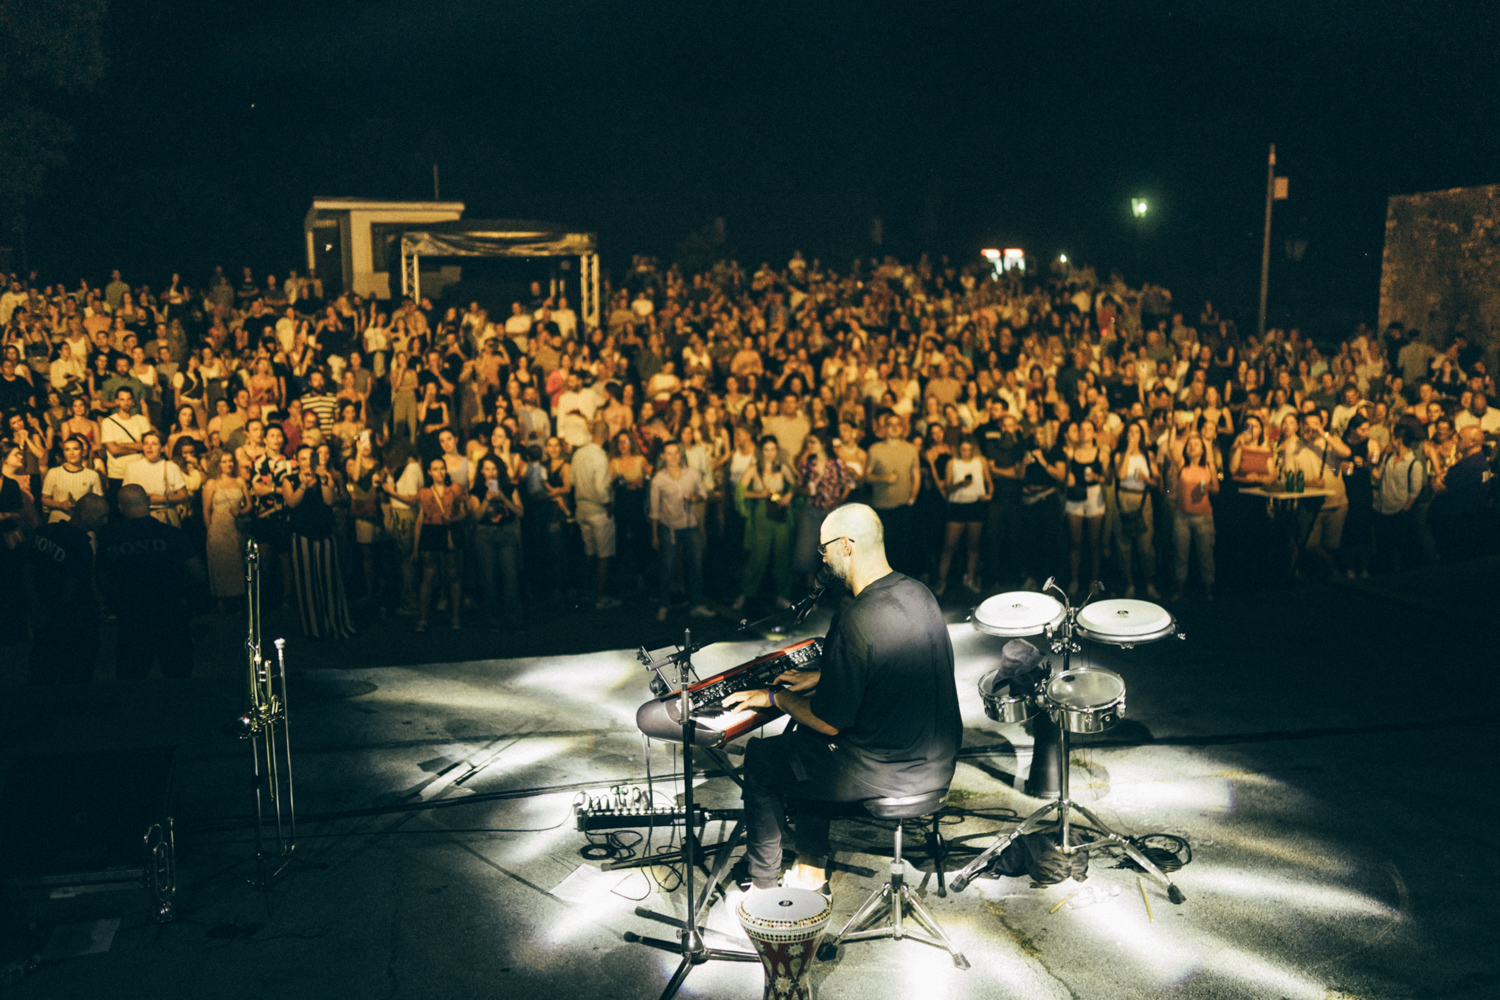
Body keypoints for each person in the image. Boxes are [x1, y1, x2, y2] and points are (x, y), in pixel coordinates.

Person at [724, 502, 961, 892]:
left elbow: (828, 719)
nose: (823, 558)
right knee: (806, 746)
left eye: (824, 548)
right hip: (937, 764)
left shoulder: (856, 617)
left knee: (768, 758)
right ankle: (810, 866)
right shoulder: (918, 592)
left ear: (846, 546)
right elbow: (894, 672)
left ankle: (763, 885)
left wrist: (773, 698)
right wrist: (824, 675)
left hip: (888, 772)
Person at [99, 485, 202, 680]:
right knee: (179, 679)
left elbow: (103, 581)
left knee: (131, 683)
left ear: (120, 507)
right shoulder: (172, 534)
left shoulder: (110, 541)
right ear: (148, 502)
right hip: (171, 616)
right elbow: (198, 572)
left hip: (132, 619)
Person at [26, 493, 108, 684]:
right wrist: (55, 614)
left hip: (44, 612)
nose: (105, 521)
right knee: (75, 676)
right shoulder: (81, 546)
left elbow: (28, 570)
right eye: (100, 516)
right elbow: (72, 587)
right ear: (84, 515)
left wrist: (35, 606)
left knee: (42, 673)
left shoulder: (46, 532)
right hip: (73, 622)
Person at [283, 443, 356, 639]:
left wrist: (323, 479)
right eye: (304, 458)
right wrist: (304, 485)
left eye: (311, 458)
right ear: (297, 461)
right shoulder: (288, 480)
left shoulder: (325, 478)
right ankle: (314, 628)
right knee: (307, 583)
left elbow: (329, 501)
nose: (308, 462)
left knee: (330, 581)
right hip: (302, 536)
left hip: (324, 533)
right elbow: (291, 502)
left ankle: (335, 623)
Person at [649, 439, 712, 621]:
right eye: (669, 453)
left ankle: (696, 604)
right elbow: (654, 510)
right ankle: (663, 605)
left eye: (676, 453)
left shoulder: (692, 474)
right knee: (667, 567)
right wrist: (654, 535)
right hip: (669, 528)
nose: (673, 457)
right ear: (663, 456)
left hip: (691, 526)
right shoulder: (659, 479)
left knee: (696, 565)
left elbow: (704, 493)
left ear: (680, 454)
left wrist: (696, 497)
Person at [735, 435, 797, 612]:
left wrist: (788, 496)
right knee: (758, 556)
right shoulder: (754, 469)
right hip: (762, 513)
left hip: (780, 513)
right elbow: (740, 492)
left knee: (782, 555)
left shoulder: (782, 467)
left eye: (773, 449)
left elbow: (795, 485)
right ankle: (745, 593)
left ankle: (782, 596)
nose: (770, 453)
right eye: (766, 449)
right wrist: (759, 494)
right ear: (761, 451)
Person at [468, 453, 525, 630]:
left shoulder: (509, 488)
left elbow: (521, 512)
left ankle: (513, 617)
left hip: (506, 533)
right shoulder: (476, 490)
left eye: (494, 468)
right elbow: (476, 516)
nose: (491, 472)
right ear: (481, 471)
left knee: (511, 577)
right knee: (489, 577)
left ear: (499, 470)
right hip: (485, 535)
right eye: (487, 469)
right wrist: (486, 499)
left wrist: (503, 498)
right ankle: (493, 619)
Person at [412, 456, 467, 631]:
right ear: (429, 472)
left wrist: (454, 519)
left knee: (453, 573)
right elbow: (420, 519)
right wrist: (415, 547)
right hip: (431, 531)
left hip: (448, 531)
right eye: (435, 469)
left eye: (442, 468)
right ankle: (423, 617)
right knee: (428, 575)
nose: (440, 472)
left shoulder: (455, 488)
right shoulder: (425, 492)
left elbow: (464, 512)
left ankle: (456, 616)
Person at [865, 413, 921, 575]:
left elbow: (916, 475)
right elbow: (866, 477)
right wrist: (884, 478)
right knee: (884, 548)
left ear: (902, 428)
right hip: (882, 506)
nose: (895, 427)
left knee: (904, 548)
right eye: (891, 424)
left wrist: (912, 499)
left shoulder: (910, 449)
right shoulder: (875, 449)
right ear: (885, 428)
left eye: (898, 424)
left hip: (904, 506)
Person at [571, 420, 619, 609]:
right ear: (606, 435)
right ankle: (601, 596)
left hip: (581, 510)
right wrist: (608, 503)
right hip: (599, 511)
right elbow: (600, 488)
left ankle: (586, 590)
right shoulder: (600, 457)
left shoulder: (578, 453)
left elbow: (572, 480)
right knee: (604, 555)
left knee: (588, 553)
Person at [935, 434, 991, 595]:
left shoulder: (981, 461)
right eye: (963, 450)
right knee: (949, 546)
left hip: (975, 505)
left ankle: (970, 579)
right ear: (959, 450)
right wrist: (960, 484)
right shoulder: (952, 463)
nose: (966, 452)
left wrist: (988, 495)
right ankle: (941, 581)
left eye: (969, 449)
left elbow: (989, 483)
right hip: (957, 506)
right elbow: (947, 488)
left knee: (973, 546)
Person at [1169, 434, 1218, 600]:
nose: (1192, 447)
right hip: (1182, 516)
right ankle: (1179, 590)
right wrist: (1174, 425)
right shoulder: (1182, 465)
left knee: (1206, 555)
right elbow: (1171, 448)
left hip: (1203, 517)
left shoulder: (1209, 466)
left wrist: (1208, 487)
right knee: (1180, 555)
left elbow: (1217, 489)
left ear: (1203, 449)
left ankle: (1209, 591)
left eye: (1196, 444)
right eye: (1189, 444)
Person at [202, 450, 248, 612]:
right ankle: (222, 601)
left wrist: (241, 512)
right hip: (218, 528)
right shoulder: (211, 484)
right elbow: (206, 510)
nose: (228, 464)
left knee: (237, 563)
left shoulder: (240, 481)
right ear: (218, 464)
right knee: (220, 564)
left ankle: (238, 599)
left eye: (230, 461)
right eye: (224, 461)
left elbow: (249, 505)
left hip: (235, 528)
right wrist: (210, 531)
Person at [123, 430, 189, 525]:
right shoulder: (132, 467)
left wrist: (162, 499)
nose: (149, 447)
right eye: (146, 443)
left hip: (165, 516)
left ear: (162, 448)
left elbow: (183, 496)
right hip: (140, 518)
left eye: (154, 444)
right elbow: (126, 496)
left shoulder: (171, 467)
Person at [41, 435, 105, 523]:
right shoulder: (53, 473)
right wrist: (61, 505)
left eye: (75, 449)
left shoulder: (92, 475)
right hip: (58, 522)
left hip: (83, 523)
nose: (71, 453)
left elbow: (98, 501)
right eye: (67, 449)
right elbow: (45, 499)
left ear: (82, 452)